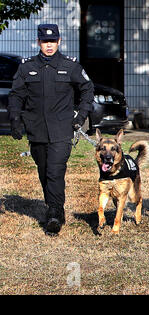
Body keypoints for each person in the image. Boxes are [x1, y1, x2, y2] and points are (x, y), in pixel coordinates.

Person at [8, 24, 94, 235]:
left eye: (53, 41)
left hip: (61, 129)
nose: (49, 45)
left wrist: (80, 117)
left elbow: (87, 89)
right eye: (45, 42)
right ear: (39, 42)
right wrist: (15, 120)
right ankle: (54, 206)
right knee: (44, 171)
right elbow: (16, 96)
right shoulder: (26, 67)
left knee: (55, 171)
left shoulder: (70, 66)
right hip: (36, 129)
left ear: (59, 41)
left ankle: (54, 213)